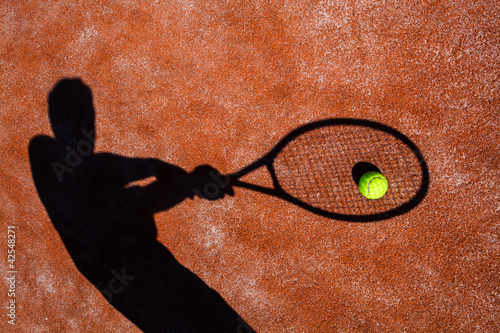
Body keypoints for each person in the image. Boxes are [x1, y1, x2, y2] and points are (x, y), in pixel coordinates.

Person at [29, 78, 252, 332]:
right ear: (57, 124)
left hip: (165, 274)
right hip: (146, 297)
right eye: (76, 118)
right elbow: (128, 197)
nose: (86, 128)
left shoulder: (93, 173)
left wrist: (186, 181)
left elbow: (140, 188)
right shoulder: (45, 157)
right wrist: (183, 181)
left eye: (88, 117)